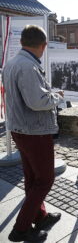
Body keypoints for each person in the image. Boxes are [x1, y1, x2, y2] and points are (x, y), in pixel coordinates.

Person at [2, 25, 64, 242]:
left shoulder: (12, 63)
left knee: (33, 177)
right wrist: (57, 97)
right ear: (43, 45)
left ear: (22, 43)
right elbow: (37, 102)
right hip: (34, 131)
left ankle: (41, 216)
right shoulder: (28, 67)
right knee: (45, 180)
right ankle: (20, 229)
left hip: (21, 129)